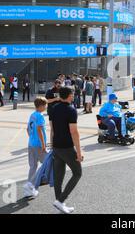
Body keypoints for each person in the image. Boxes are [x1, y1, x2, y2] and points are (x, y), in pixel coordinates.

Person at [49, 86, 83, 214]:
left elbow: (52, 129)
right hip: (67, 147)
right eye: (72, 93)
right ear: (68, 95)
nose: (73, 95)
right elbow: (74, 132)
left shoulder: (53, 108)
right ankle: (60, 201)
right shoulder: (71, 110)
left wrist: (52, 146)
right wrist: (79, 153)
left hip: (56, 147)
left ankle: (59, 204)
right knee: (77, 173)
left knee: (58, 177)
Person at [23, 97, 48, 198]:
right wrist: (43, 144)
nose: (46, 107)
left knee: (33, 166)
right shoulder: (40, 116)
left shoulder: (32, 115)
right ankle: (32, 183)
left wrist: (32, 139)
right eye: (45, 105)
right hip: (38, 145)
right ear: (41, 106)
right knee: (48, 162)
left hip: (31, 144)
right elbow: (39, 130)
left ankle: (29, 187)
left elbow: (27, 129)